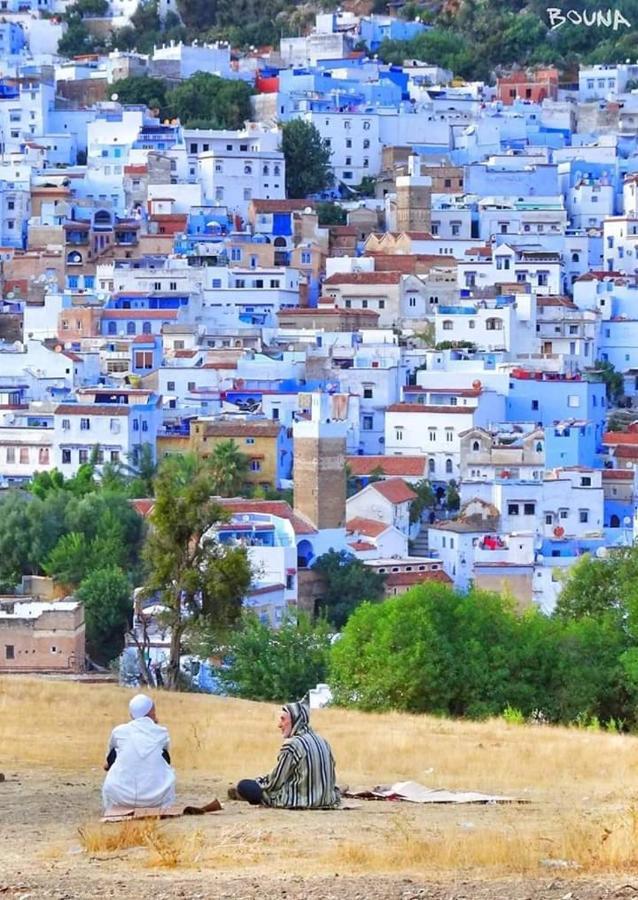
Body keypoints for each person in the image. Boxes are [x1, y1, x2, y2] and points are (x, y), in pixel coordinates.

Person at [230, 702, 340, 809]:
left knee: (244, 785)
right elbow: (332, 776)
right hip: (327, 800)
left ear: (295, 720)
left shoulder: (292, 744)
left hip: (299, 801)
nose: (279, 725)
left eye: (283, 719)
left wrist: (257, 782)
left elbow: (275, 782)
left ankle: (240, 793)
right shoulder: (323, 741)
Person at [102, 694, 176, 810]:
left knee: (116, 753)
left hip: (121, 798)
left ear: (131, 714)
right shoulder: (162, 732)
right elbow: (166, 759)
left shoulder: (119, 731)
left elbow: (107, 762)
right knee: (162, 756)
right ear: (152, 711)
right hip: (156, 799)